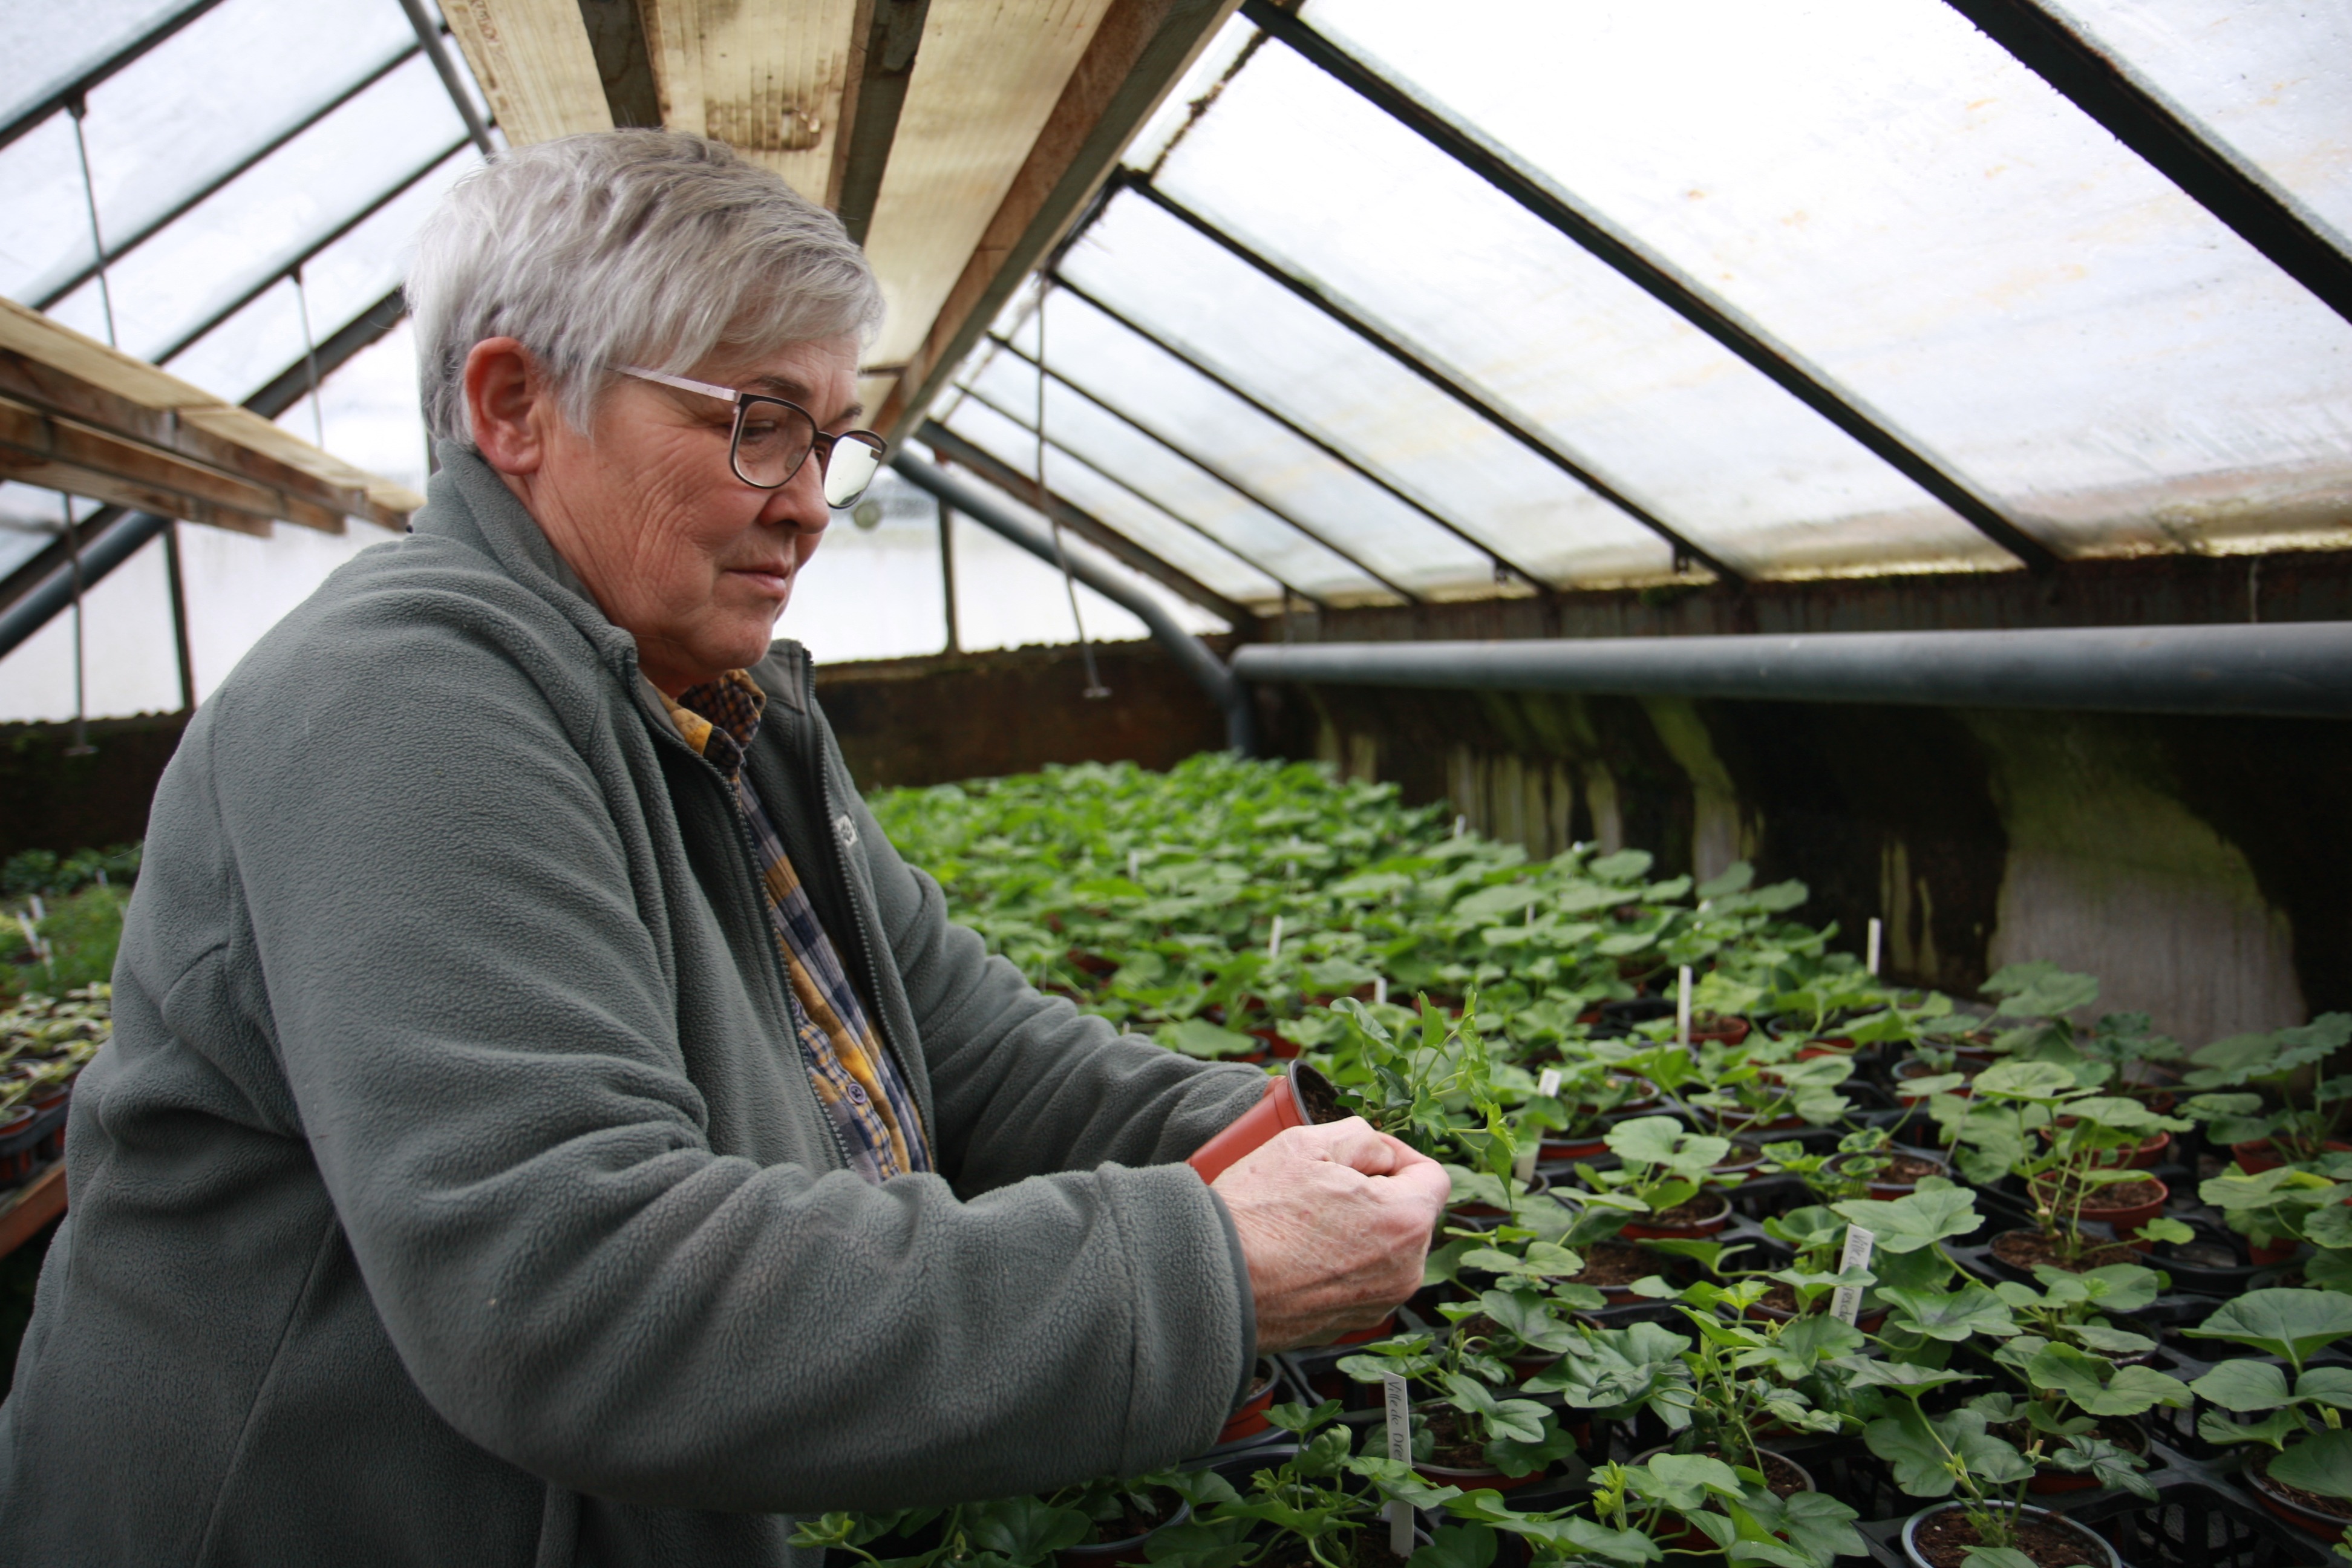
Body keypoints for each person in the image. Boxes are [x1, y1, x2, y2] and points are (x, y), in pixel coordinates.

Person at [0, 131, 1448, 1565]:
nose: (811, 498)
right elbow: (576, 1297)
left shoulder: (694, 705)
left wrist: (1292, 1152)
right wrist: (1213, 1268)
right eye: (756, 419)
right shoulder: (401, 703)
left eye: (829, 439)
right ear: (516, 405)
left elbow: (972, 1047)